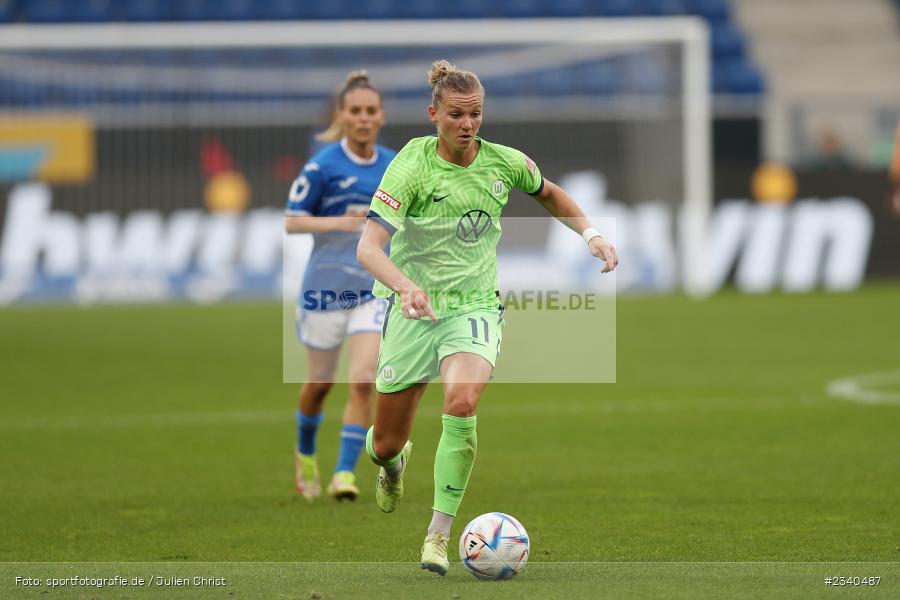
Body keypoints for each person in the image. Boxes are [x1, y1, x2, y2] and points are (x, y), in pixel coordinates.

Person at [356, 60, 618, 574]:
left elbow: (550, 193)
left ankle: (437, 535)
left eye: (475, 114)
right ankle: (391, 463)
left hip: (473, 306)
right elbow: (369, 248)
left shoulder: (503, 162)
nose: (467, 124)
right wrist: (406, 287)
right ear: (434, 114)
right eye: (456, 114)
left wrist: (591, 235)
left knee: (462, 400)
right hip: (414, 307)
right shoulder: (411, 166)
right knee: (385, 443)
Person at [284, 71, 396, 502]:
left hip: (371, 290)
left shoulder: (392, 165)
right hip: (324, 291)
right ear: (342, 116)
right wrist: (344, 222)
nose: (363, 118)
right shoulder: (323, 166)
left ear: (381, 116)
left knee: (364, 379)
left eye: (371, 111)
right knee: (320, 385)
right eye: (355, 111)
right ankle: (306, 454)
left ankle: (344, 474)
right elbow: (293, 220)